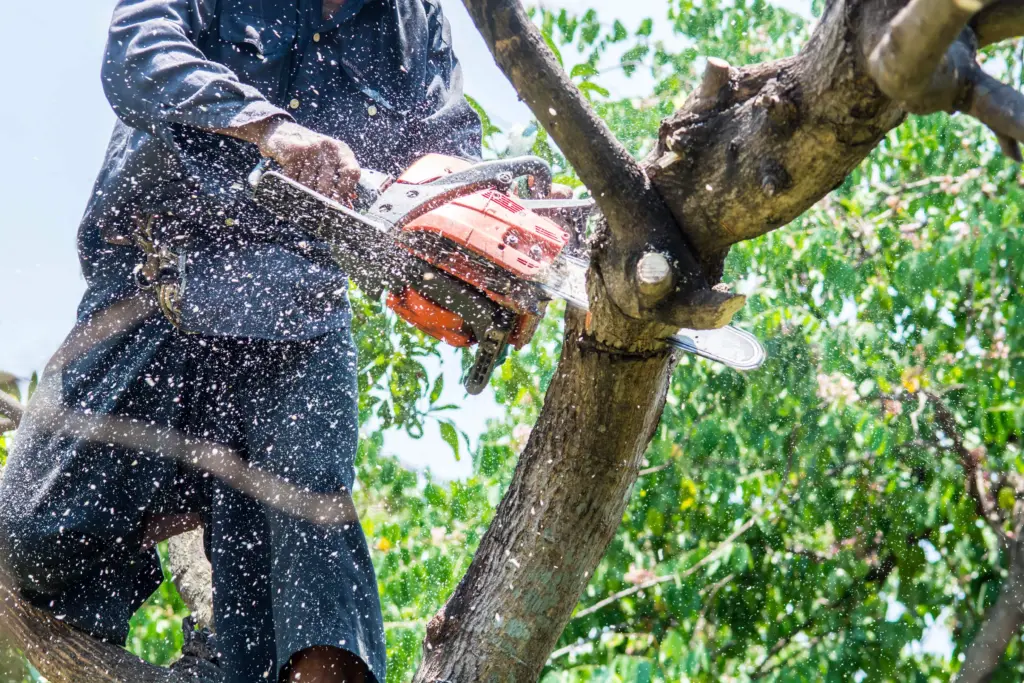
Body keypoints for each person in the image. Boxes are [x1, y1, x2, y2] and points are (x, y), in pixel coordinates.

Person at [0, 0, 482, 681]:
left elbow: (448, 149)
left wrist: (479, 248)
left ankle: (230, 653)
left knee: (312, 568)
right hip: (158, 286)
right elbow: (137, 50)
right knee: (30, 540)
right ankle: (177, 508)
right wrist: (268, 129)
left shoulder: (410, 20)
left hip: (296, 313)